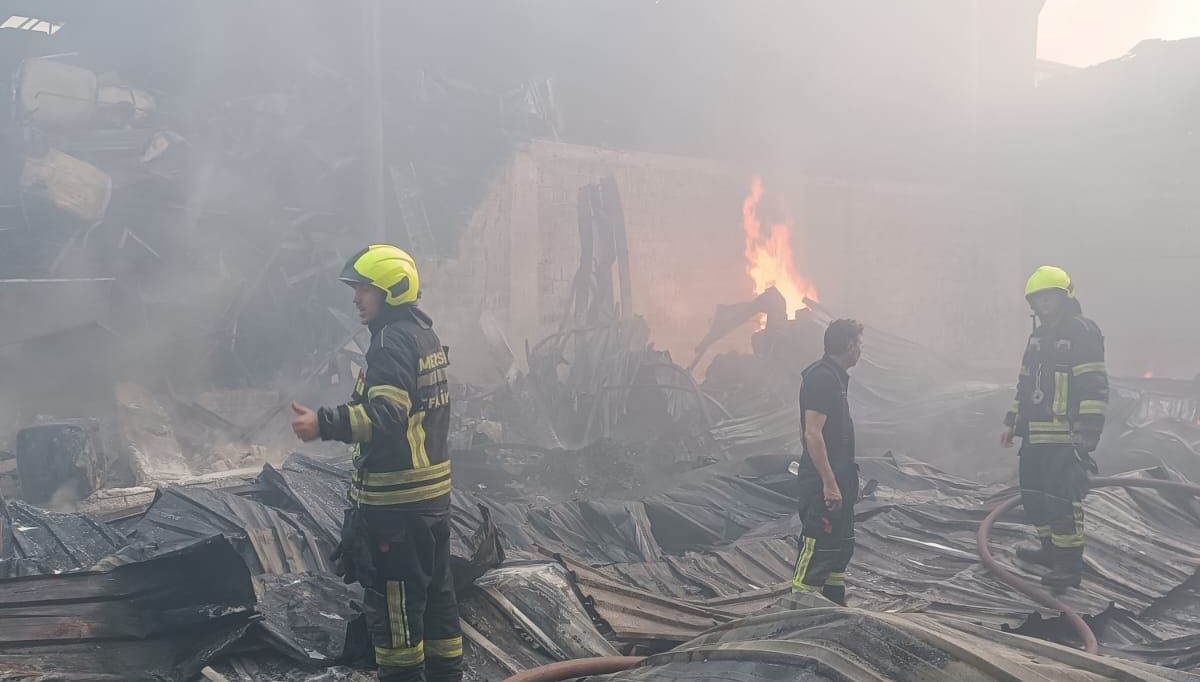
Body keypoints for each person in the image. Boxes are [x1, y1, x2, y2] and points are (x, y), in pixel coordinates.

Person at [291, 244, 461, 682]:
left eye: (364, 289)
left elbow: (387, 414)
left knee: (396, 613)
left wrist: (324, 423)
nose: (355, 299)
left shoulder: (390, 341)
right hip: (432, 503)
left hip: (397, 511)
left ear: (390, 290)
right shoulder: (423, 336)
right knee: (438, 603)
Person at [1002, 265, 1108, 589]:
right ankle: (1049, 551)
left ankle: (1068, 566)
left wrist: (1087, 431)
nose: (1042, 304)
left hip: (1064, 434)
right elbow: (1025, 382)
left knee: (1062, 499)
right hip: (1035, 433)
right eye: (1037, 299)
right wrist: (1012, 421)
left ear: (1064, 297)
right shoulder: (1036, 337)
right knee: (1034, 496)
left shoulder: (1082, 331)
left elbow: (1093, 383)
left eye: (1049, 297)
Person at [790, 318, 864, 605]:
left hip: (840, 476)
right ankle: (799, 611)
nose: (860, 350)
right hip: (825, 482)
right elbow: (812, 434)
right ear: (847, 345)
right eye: (858, 344)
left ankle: (834, 606)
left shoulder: (834, 377)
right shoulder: (821, 378)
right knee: (818, 546)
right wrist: (829, 484)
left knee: (839, 547)